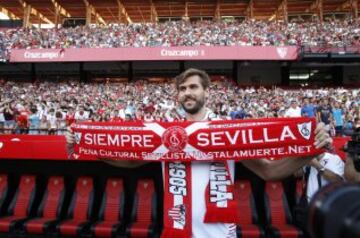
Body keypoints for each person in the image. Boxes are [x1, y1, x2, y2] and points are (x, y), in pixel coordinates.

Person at [66, 68, 332, 238]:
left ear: (207, 92)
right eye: (182, 89)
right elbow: (131, 162)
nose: (186, 93)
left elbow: (269, 170)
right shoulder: (166, 134)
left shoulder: (226, 131)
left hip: (218, 233)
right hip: (175, 230)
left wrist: (311, 152)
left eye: (193, 87)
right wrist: (90, 146)